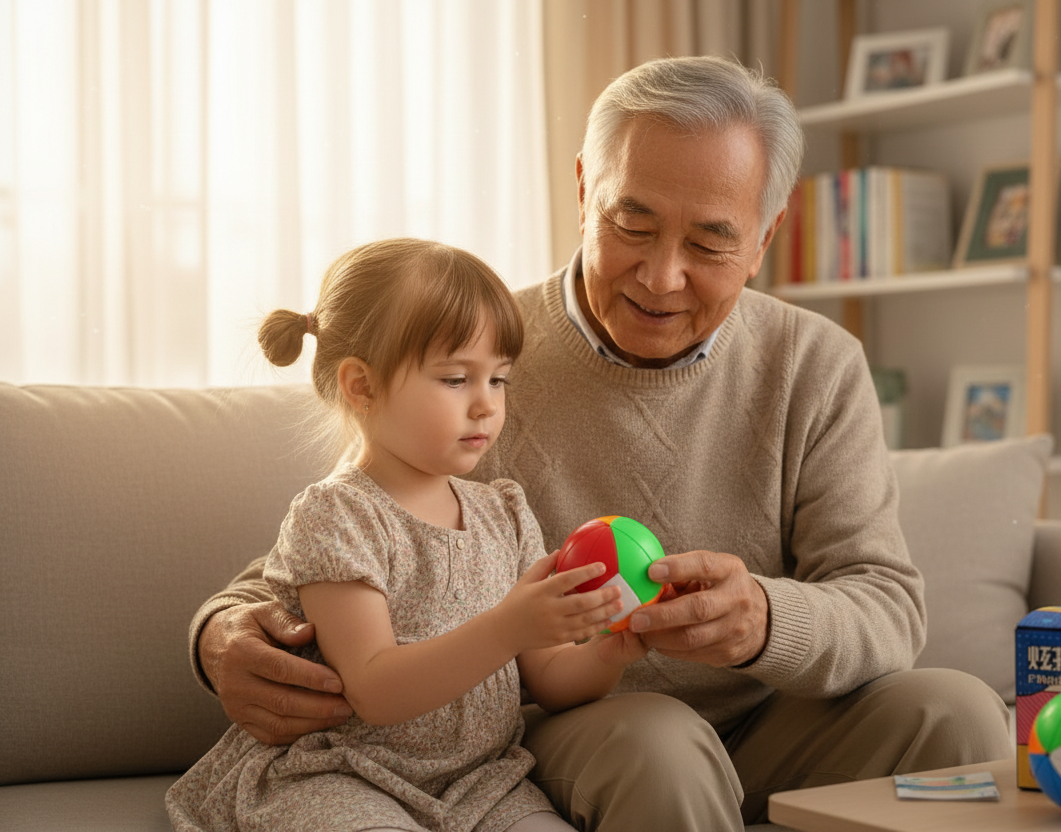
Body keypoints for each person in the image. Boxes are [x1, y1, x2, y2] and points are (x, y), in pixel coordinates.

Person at [192, 57, 1013, 830]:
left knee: (959, 710)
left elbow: (887, 605)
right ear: (585, 190)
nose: (661, 276)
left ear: (764, 238)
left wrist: (764, 619)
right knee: (659, 740)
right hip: (583, 731)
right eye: (633, 222)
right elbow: (339, 537)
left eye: (710, 242)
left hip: (770, 720)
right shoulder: (479, 356)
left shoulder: (816, 364)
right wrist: (218, 637)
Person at [167, 238, 647, 832]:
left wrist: (613, 650)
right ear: (361, 387)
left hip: (482, 780)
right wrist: (509, 626)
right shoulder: (337, 516)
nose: (485, 406)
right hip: (342, 774)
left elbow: (549, 678)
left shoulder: (504, 512)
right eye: (454, 379)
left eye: (498, 380)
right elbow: (373, 688)